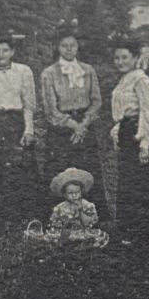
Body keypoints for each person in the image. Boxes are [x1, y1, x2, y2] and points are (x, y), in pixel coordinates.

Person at [40, 31, 110, 223]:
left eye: (73, 45)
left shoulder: (88, 70)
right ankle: (58, 221)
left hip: (85, 127)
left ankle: (92, 220)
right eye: (64, 46)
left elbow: (96, 101)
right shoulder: (49, 73)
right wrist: (73, 126)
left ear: (78, 47)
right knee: (60, 171)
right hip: (61, 130)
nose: (69, 49)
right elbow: (50, 109)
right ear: (58, 48)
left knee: (88, 170)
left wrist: (83, 124)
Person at [0, 35, 41, 225]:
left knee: (22, 166)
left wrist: (29, 130)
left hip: (17, 121)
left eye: (5, 50)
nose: (1, 54)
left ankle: (24, 214)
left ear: (12, 52)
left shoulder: (24, 71)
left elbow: (29, 105)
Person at [109, 36, 149, 246]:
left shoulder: (142, 80)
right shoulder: (124, 79)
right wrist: (117, 128)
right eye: (117, 58)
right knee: (129, 184)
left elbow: (148, 113)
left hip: (139, 135)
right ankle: (130, 233)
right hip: (127, 132)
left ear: (135, 58)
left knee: (143, 185)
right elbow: (122, 111)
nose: (120, 62)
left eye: (125, 57)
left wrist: (144, 144)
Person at [47, 167, 102, 234]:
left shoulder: (88, 205)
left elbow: (90, 223)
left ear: (81, 191)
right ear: (64, 194)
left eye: (77, 192)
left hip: (85, 235)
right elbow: (54, 223)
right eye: (70, 193)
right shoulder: (59, 208)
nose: (74, 195)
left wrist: (80, 210)